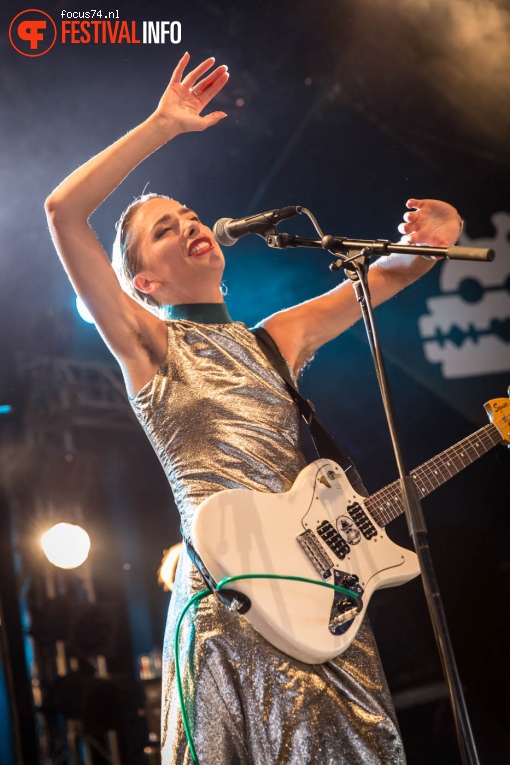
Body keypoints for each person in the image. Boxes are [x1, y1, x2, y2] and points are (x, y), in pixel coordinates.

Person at [45, 53, 463, 765]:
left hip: (320, 595)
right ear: (143, 279)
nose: (190, 225)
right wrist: (162, 126)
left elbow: (385, 276)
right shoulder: (149, 342)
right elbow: (63, 211)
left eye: (189, 214)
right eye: (164, 229)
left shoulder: (274, 339)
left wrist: (434, 243)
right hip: (230, 611)